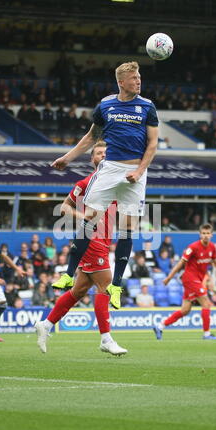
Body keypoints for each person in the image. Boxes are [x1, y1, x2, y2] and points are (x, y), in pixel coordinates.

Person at [51, 61, 158, 311]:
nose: (138, 81)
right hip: (110, 169)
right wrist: (67, 158)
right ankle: (68, 274)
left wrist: (140, 170)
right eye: (133, 78)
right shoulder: (106, 105)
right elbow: (91, 136)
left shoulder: (147, 107)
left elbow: (152, 144)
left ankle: (116, 286)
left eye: (139, 77)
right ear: (121, 82)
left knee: (128, 227)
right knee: (89, 218)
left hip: (136, 171)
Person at [35, 141, 127, 356]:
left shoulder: (117, 182)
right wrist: (82, 216)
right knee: (106, 285)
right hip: (91, 239)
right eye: (98, 153)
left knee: (79, 290)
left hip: (105, 240)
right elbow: (65, 206)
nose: (103, 155)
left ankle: (46, 325)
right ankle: (106, 338)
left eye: (106, 153)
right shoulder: (86, 183)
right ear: (92, 159)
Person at [153, 224, 216, 340]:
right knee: (206, 303)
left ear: (211, 235)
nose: (206, 236)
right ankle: (207, 334)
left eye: (208, 233)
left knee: (185, 310)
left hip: (198, 279)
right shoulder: (193, 247)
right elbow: (180, 263)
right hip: (190, 279)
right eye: (203, 233)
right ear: (200, 234)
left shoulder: (212, 248)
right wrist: (169, 278)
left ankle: (160, 326)